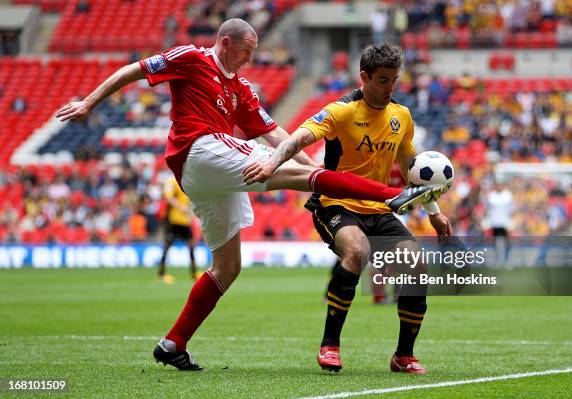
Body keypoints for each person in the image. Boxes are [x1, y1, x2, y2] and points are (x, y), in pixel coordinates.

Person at [56, 19, 442, 371]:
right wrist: (89, 102)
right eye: (248, 51)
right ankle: (390, 194)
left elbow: (275, 134)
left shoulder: (241, 89)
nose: (251, 59)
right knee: (288, 173)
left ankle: (173, 343)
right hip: (200, 149)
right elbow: (135, 69)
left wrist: (312, 170)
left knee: (228, 267)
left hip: (209, 178)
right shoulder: (192, 57)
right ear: (226, 43)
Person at [245, 43, 453, 374]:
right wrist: (272, 163)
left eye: (394, 80)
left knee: (416, 264)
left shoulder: (401, 116)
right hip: (336, 204)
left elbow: (413, 170)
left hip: (379, 209)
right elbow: (298, 139)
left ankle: (404, 355)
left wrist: (435, 212)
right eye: (383, 80)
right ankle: (330, 345)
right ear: (364, 77)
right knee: (356, 252)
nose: (390, 89)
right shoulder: (341, 111)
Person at [158, 176, 198, 283]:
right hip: (173, 220)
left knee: (191, 245)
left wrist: (189, 212)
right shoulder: (171, 181)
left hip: (184, 221)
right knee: (167, 246)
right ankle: (161, 274)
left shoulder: (185, 181)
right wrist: (182, 208)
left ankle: (194, 273)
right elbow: (169, 198)